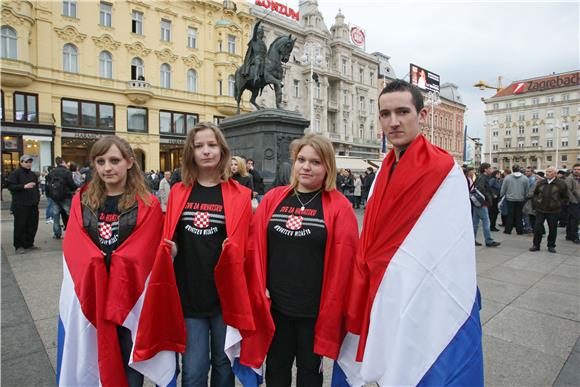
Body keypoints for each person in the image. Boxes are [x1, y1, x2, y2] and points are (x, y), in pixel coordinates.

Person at [335, 80, 483, 386]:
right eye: (385, 114)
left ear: (422, 115)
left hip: (420, 285)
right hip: (380, 284)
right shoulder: (384, 167)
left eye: (403, 112)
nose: (394, 121)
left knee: (411, 358)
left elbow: (450, 244)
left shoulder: (445, 169)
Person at [57, 135, 177, 386]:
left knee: (129, 363)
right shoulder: (83, 199)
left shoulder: (148, 203)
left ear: (130, 162)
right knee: (95, 358)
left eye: (114, 160)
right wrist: (94, 264)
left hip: (129, 299)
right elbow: (73, 245)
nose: (107, 168)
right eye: (100, 161)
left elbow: (145, 249)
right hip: (94, 295)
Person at [243, 133, 358, 387]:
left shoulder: (340, 207)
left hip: (314, 312)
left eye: (315, 162)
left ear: (327, 166)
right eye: (301, 159)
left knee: (309, 374)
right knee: (276, 370)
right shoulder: (274, 199)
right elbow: (254, 247)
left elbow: (347, 262)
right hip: (276, 308)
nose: (306, 167)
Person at [163, 122, 255, 387]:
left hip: (225, 297)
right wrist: (171, 250)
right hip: (189, 292)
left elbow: (249, 246)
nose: (206, 151)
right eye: (199, 146)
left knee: (224, 365)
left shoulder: (240, 195)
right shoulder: (179, 191)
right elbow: (173, 238)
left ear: (222, 150)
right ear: (190, 152)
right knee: (193, 369)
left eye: (212, 145)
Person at [529, 166, 569, 253]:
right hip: (540, 209)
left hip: (553, 211)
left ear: (555, 173)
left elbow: (565, 197)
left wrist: (559, 204)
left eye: (550, 171)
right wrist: (536, 203)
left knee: (552, 228)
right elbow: (535, 194)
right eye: (547, 171)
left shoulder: (561, 183)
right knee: (537, 228)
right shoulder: (541, 182)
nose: (547, 173)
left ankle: (551, 245)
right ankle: (536, 245)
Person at [7, 155, 40, 254]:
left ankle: (29, 243)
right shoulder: (15, 174)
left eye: (30, 162)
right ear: (21, 162)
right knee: (20, 225)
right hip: (21, 204)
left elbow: (36, 188)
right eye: (26, 162)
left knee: (32, 225)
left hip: (32, 204)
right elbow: (10, 186)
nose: (29, 164)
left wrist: (37, 199)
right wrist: (23, 186)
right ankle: (19, 245)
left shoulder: (33, 175)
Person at [46, 156, 77, 239]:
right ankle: (72, 232)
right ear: (63, 162)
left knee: (56, 216)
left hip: (55, 197)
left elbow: (48, 185)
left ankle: (57, 233)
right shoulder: (67, 172)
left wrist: (49, 195)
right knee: (70, 215)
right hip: (66, 196)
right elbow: (72, 184)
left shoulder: (51, 172)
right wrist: (75, 188)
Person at [472, 163, 500, 247]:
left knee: (475, 223)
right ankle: (489, 241)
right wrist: (488, 195)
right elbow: (480, 189)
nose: (491, 170)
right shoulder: (483, 178)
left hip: (478, 203)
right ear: (485, 169)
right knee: (486, 222)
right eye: (490, 168)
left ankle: (472, 239)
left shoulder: (481, 177)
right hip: (482, 203)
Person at [500, 164, 528, 235]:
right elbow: (527, 190)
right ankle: (520, 230)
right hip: (521, 199)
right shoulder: (525, 178)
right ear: (519, 169)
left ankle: (508, 230)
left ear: (512, 169)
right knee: (519, 215)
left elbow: (503, 188)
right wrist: (525, 197)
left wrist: (501, 195)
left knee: (510, 215)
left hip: (510, 199)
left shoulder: (507, 178)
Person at [564, 163, 580, 243]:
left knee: (571, 219)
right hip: (574, 202)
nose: (577, 171)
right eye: (575, 169)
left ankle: (569, 235)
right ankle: (574, 236)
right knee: (574, 220)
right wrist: (573, 201)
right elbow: (568, 191)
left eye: (578, 169)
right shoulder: (570, 179)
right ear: (572, 170)